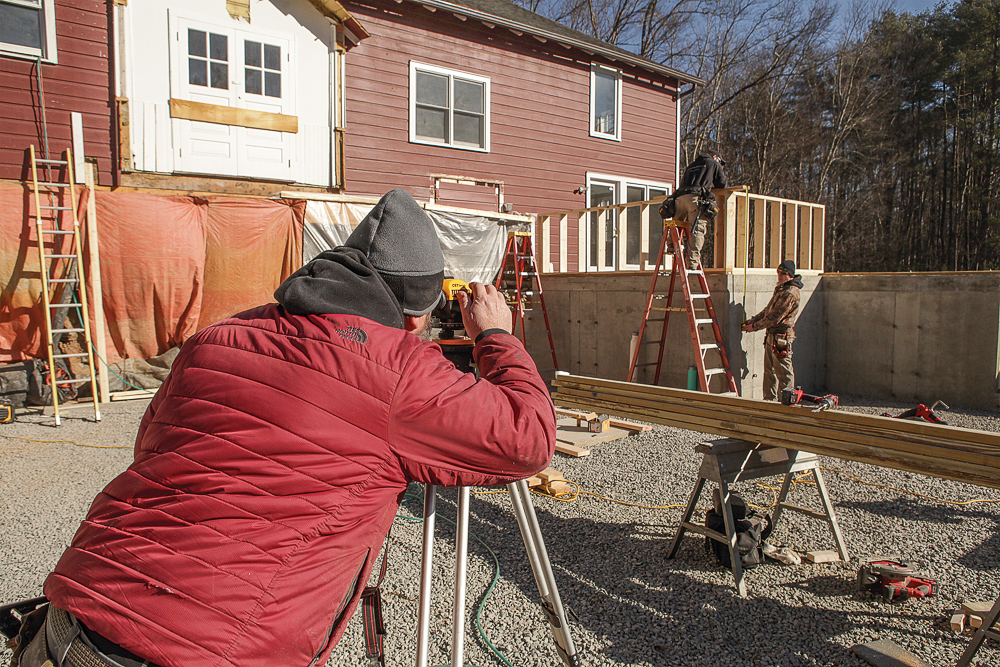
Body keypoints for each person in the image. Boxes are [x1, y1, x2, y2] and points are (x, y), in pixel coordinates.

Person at [11, 189, 556, 667]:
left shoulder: (219, 337)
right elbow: (528, 437)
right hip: (206, 649)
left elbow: (154, 444)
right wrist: (496, 337)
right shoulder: (402, 372)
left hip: (73, 618)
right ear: (415, 316)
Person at [741, 259, 804, 400]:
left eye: (783, 273)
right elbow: (768, 310)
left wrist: (755, 327)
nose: (779, 276)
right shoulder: (781, 289)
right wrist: (754, 319)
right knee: (769, 372)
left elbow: (775, 317)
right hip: (772, 334)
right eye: (778, 272)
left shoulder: (790, 293)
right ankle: (769, 401)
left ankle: (787, 401)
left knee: (783, 372)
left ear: (790, 275)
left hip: (781, 337)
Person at [673, 152, 727, 270]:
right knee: (697, 229)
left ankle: (671, 247)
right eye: (720, 163)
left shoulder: (692, 165)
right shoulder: (713, 163)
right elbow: (721, 183)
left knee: (676, 226)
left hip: (680, 198)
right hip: (695, 198)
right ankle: (692, 263)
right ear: (716, 157)